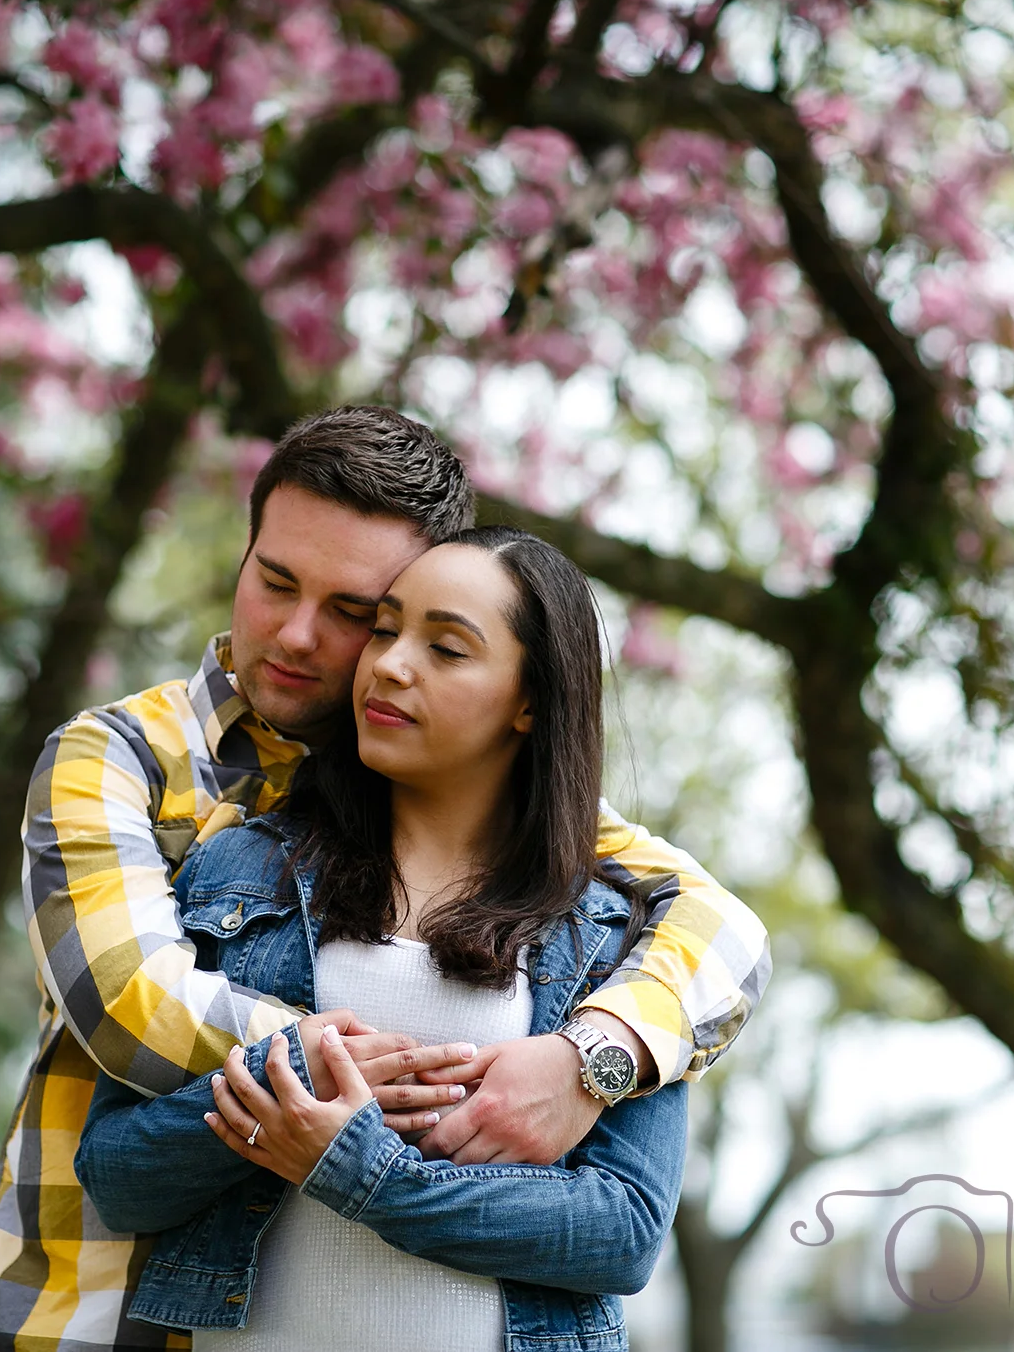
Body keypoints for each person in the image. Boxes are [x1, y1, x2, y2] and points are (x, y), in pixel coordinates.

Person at [0, 407, 770, 1350]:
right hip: (82, 1307)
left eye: (355, 611)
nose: (300, 636)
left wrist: (592, 1058)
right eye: (274, 582)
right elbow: (128, 1004)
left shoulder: (551, 860)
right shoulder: (125, 759)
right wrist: (352, 1085)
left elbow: (719, 926)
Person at [74, 527, 688, 1351]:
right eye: (388, 629)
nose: (392, 664)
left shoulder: (614, 930)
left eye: (446, 647)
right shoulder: (241, 868)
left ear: (531, 699)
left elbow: (621, 1231)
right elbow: (117, 1178)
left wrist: (366, 1174)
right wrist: (275, 1082)